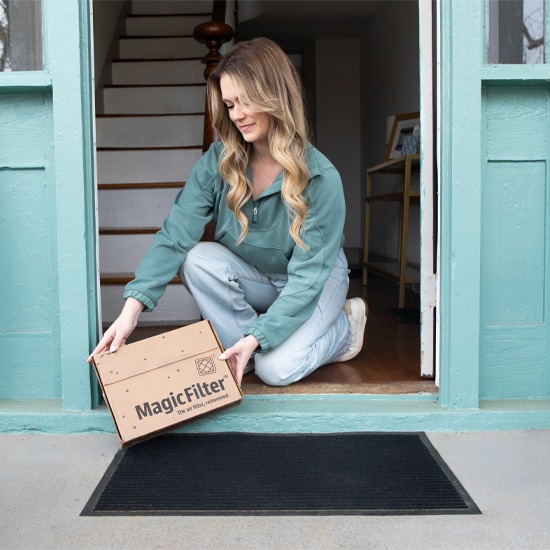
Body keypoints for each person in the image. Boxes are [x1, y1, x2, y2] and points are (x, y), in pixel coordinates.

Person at [87, 37, 368, 386]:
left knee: (276, 370)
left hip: (314, 281)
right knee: (196, 258)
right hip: (261, 276)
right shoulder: (217, 163)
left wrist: (256, 338)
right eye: (229, 104)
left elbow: (306, 281)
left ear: (274, 96)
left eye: (245, 102)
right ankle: (245, 350)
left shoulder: (322, 179)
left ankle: (344, 327)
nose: (236, 115)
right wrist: (132, 310)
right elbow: (176, 235)